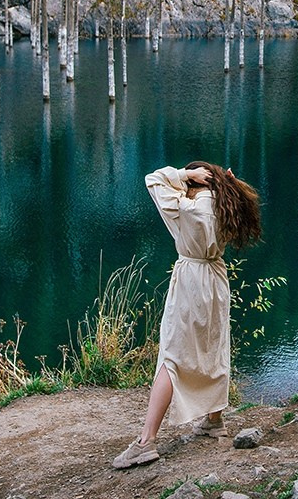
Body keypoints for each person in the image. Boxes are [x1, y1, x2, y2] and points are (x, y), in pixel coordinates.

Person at [112, 161, 262, 469]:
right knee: (214, 348)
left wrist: (184, 174)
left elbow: (153, 179)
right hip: (216, 279)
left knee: (172, 355)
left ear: (194, 185)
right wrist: (227, 182)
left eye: (188, 181)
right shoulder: (226, 205)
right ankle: (214, 421)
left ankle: (146, 441)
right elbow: (244, 197)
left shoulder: (184, 208)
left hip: (191, 280)